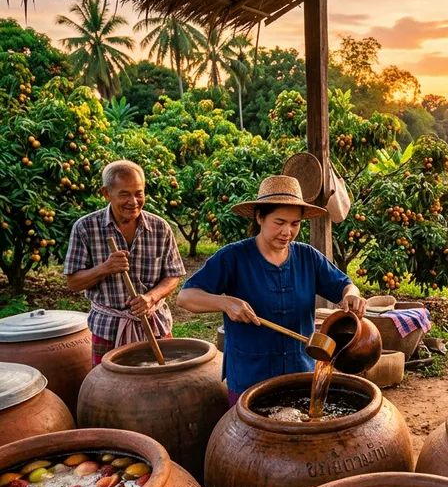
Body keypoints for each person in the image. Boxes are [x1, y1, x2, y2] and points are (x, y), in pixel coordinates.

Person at [177, 175, 366, 406]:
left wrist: (352, 296)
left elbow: (346, 286)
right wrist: (225, 303)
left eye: (295, 224)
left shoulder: (308, 257)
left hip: (300, 373)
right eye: (279, 222)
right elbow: (185, 297)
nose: (287, 231)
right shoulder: (233, 257)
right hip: (251, 378)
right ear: (260, 217)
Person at [64, 160, 185, 366]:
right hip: (108, 330)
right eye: (124, 194)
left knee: (161, 386)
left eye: (139, 193)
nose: (134, 201)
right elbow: (73, 282)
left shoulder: (159, 228)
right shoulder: (86, 228)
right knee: (109, 392)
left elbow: (173, 275)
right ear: (106, 193)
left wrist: (150, 298)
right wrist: (105, 268)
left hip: (155, 326)